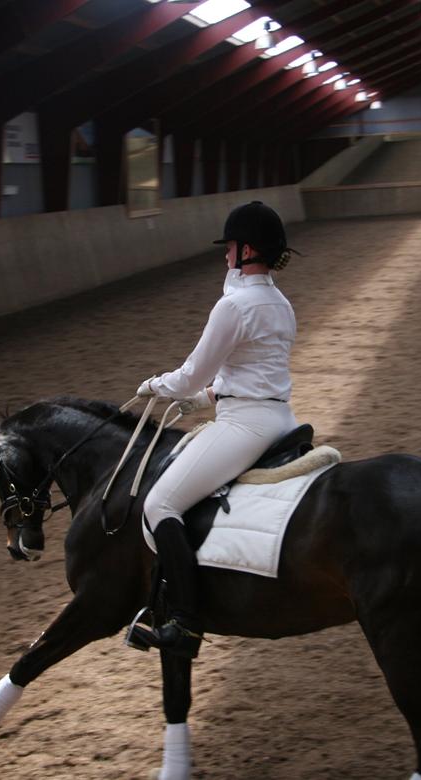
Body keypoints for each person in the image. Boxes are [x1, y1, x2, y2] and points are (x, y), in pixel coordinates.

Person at [128, 201, 298, 659]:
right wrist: (202, 402)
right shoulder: (280, 303)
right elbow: (252, 376)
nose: (224, 255)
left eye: (228, 247)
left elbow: (189, 373)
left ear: (245, 250)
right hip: (281, 417)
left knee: (160, 502)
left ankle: (183, 621)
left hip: (246, 426)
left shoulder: (234, 305)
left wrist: (155, 386)